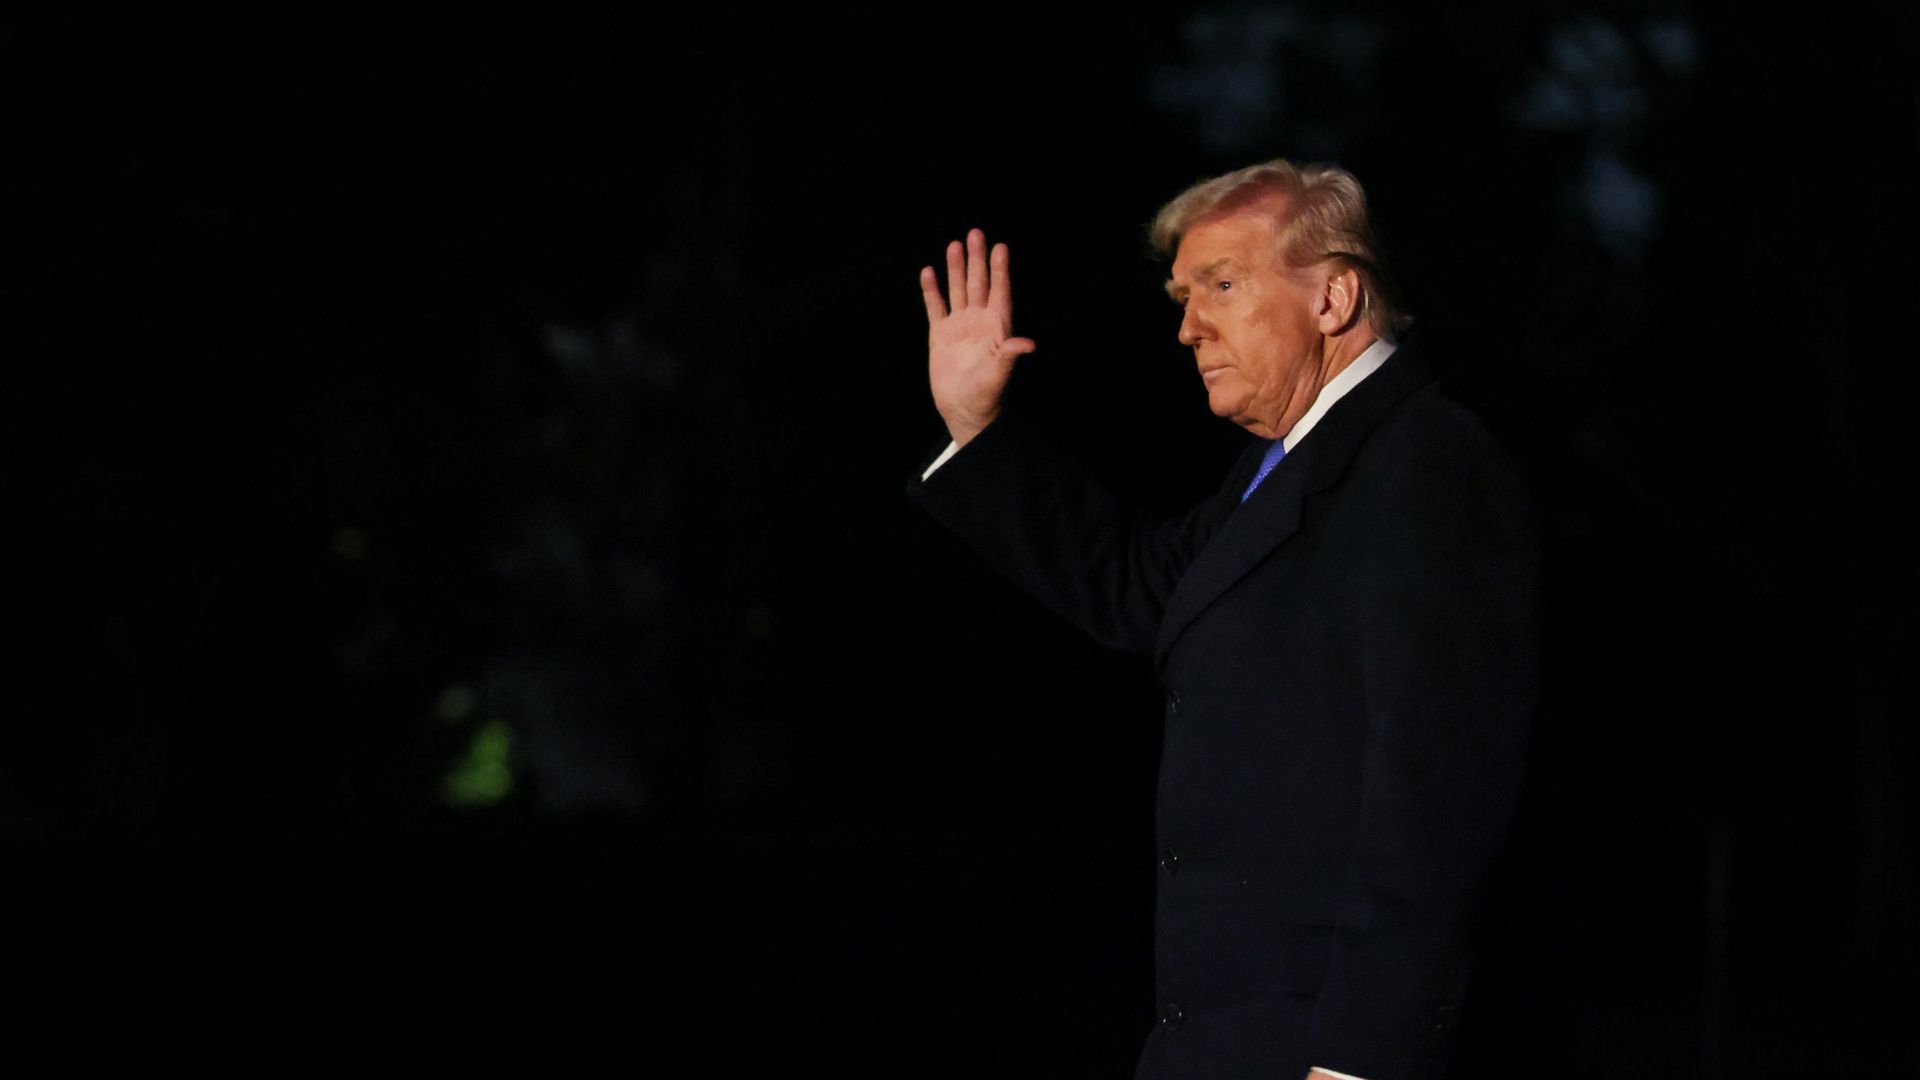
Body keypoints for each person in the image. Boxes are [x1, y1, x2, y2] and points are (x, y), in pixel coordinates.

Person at [905, 159, 1540, 1080]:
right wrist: (978, 427)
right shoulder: (1283, 466)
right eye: (1183, 296)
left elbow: (1438, 803)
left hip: (1325, 1052)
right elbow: (1138, 589)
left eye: (1223, 286)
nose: (1189, 326)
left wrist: (1363, 1059)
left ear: (1333, 297)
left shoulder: (1429, 466)